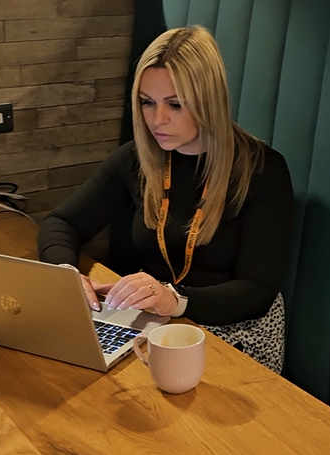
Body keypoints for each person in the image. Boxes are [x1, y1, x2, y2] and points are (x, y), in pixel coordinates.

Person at [37, 25, 294, 374]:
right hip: (156, 323)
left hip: (236, 333)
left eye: (175, 104)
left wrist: (175, 299)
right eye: (147, 102)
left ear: (208, 101)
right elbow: (62, 223)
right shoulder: (137, 158)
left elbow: (257, 290)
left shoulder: (262, 170)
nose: (157, 120)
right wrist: (66, 274)